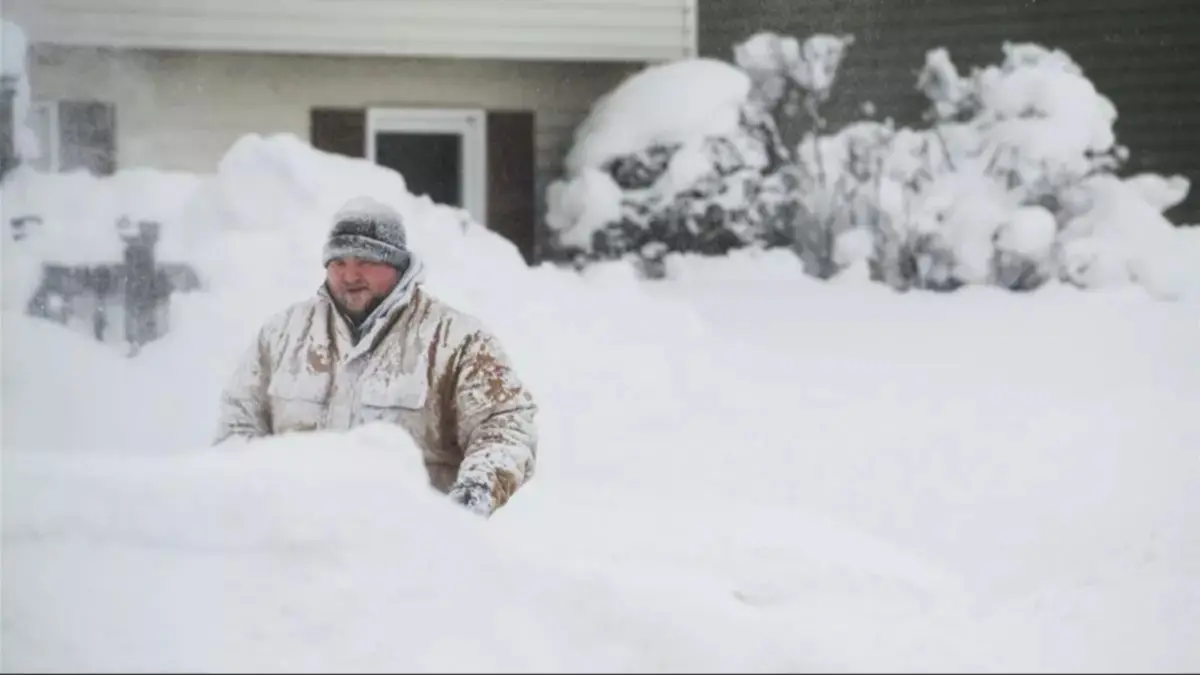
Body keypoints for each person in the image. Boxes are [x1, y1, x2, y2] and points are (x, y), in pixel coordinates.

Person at [214, 196, 538, 517]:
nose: (350, 276)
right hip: (298, 543)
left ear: (397, 266)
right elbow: (239, 423)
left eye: (365, 261)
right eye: (338, 263)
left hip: (409, 545)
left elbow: (505, 425)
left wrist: (475, 492)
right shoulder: (282, 335)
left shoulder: (456, 340)